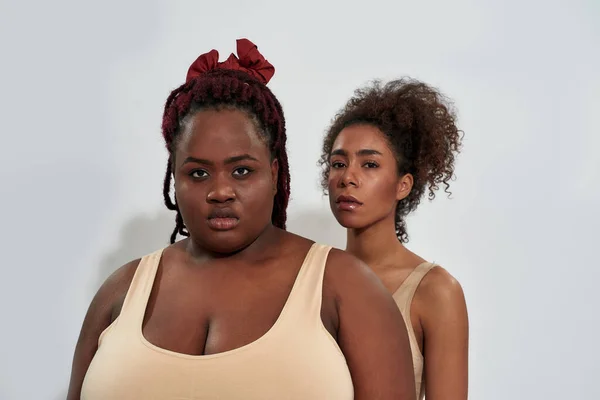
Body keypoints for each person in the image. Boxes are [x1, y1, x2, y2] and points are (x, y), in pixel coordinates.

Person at [66, 39, 416, 400]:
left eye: (242, 171)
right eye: (198, 174)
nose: (220, 192)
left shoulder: (347, 287)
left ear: (274, 172)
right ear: (175, 178)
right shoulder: (120, 291)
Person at [320, 78, 469, 400]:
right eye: (338, 163)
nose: (348, 177)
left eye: (369, 164)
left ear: (404, 185)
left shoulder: (435, 292)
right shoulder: (308, 276)